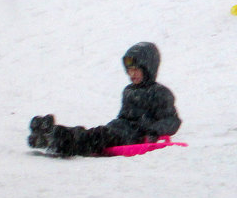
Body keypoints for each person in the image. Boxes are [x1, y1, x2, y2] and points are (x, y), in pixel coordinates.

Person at [27, 42, 181, 157]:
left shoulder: (160, 93)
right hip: (118, 129)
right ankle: (51, 132)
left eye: (136, 69)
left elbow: (172, 120)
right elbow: (123, 117)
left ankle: (57, 139)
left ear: (148, 69)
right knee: (93, 134)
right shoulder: (128, 91)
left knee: (94, 139)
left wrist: (153, 132)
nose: (132, 74)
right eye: (129, 70)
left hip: (133, 136)